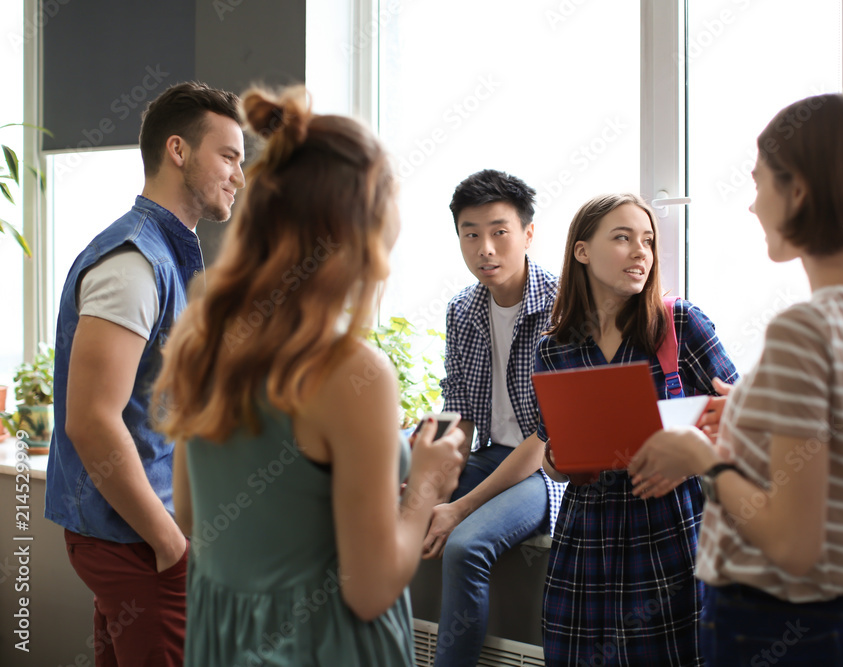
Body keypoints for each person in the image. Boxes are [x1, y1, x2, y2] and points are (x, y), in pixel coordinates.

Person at [627, 92, 843, 666]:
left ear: (798, 192)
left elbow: (793, 545)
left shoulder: (806, 330)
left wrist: (703, 461)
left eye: (760, 184)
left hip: (773, 626)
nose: (753, 207)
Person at [152, 86, 464, 666]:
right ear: (359, 224)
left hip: (226, 642)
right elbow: (369, 592)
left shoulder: (203, 339)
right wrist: (424, 486)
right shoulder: (352, 373)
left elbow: (192, 514)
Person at [44, 81, 245, 666]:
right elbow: (91, 420)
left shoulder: (164, 254)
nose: (238, 174)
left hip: (139, 534)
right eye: (228, 156)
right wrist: (171, 546)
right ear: (178, 151)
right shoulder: (134, 263)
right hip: (136, 539)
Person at [535, 192, 738, 666]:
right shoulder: (555, 348)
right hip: (586, 539)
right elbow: (553, 457)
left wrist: (687, 456)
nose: (641, 252)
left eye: (647, 240)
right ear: (582, 251)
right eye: (623, 238)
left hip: (669, 534)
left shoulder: (679, 323)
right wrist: (560, 460)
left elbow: (744, 421)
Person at [424, 169, 566, 666]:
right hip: (489, 457)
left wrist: (457, 509)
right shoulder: (463, 309)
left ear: (528, 234)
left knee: (465, 548)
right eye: (471, 234)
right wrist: (431, 489)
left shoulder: (562, 305)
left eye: (499, 232)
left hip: (549, 469)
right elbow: (460, 416)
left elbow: (547, 439)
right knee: (393, 516)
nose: (485, 247)